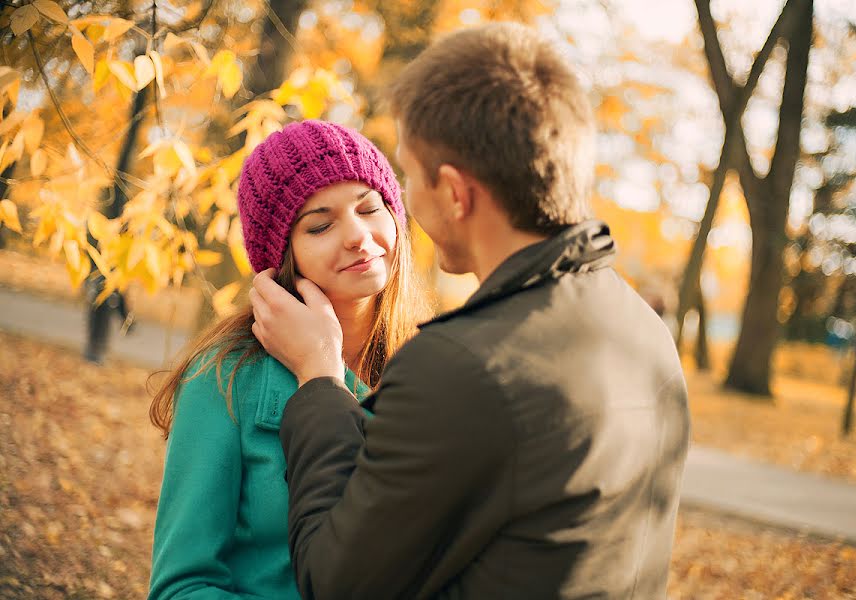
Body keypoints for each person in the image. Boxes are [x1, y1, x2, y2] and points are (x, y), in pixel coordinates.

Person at [251, 22, 691, 600]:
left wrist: (318, 379)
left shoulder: (461, 367)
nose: (403, 200)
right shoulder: (641, 329)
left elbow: (335, 582)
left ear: (455, 194)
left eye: (406, 176)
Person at [147, 120, 429, 599]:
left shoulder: (435, 364)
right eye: (320, 225)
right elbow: (181, 587)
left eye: (370, 208)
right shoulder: (225, 378)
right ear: (282, 256)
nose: (359, 236)